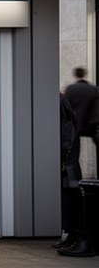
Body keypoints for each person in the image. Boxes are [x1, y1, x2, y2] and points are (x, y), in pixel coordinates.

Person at [60, 93, 94, 256]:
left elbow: (67, 133)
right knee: (70, 197)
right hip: (69, 160)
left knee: (72, 197)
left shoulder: (59, 102)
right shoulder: (60, 100)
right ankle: (74, 236)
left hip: (68, 162)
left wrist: (64, 158)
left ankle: (80, 238)